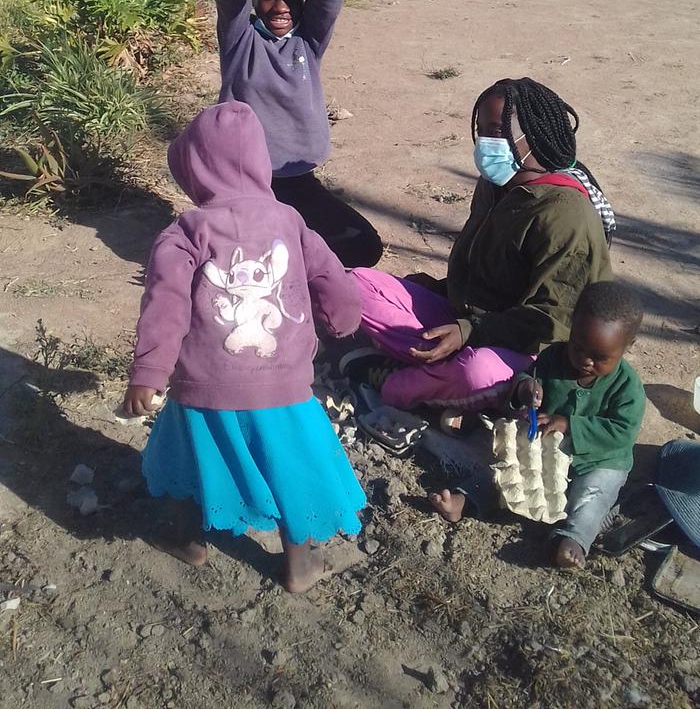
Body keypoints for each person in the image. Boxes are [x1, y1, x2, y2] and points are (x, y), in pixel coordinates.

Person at [122, 100, 365, 594]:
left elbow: (165, 305)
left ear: (193, 168)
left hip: (202, 384)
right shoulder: (290, 221)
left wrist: (148, 372)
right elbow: (330, 275)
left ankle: (190, 542)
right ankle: (299, 566)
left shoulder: (185, 230)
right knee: (290, 467)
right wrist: (345, 321)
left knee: (192, 458)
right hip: (283, 386)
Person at [342, 77, 615, 419]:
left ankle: (401, 382)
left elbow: (555, 323)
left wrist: (471, 332)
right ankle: (440, 373)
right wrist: (440, 292)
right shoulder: (495, 185)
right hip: (468, 319)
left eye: (498, 132)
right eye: (483, 130)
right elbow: (484, 268)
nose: (487, 142)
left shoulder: (565, 213)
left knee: (476, 372)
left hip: (527, 346)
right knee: (356, 284)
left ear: (534, 134)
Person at [204, 0, 383, 269]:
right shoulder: (240, 40)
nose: (280, 5)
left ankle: (286, 243)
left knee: (365, 248)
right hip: (245, 185)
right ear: (255, 1)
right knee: (245, 259)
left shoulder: (307, 43)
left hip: (296, 179)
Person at [431, 282, 646, 569]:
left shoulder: (627, 387)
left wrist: (569, 424)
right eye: (578, 347)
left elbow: (621, 434)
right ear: (571, 329)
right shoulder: (552, 358)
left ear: (626, 347)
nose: (585, 360)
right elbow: (525, 380)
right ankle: (468, 500)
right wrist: (525, 389)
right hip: (545, 447)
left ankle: (573, 539)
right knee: (507, 470)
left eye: (600, 357)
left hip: (599, 459)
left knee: (593, 496)